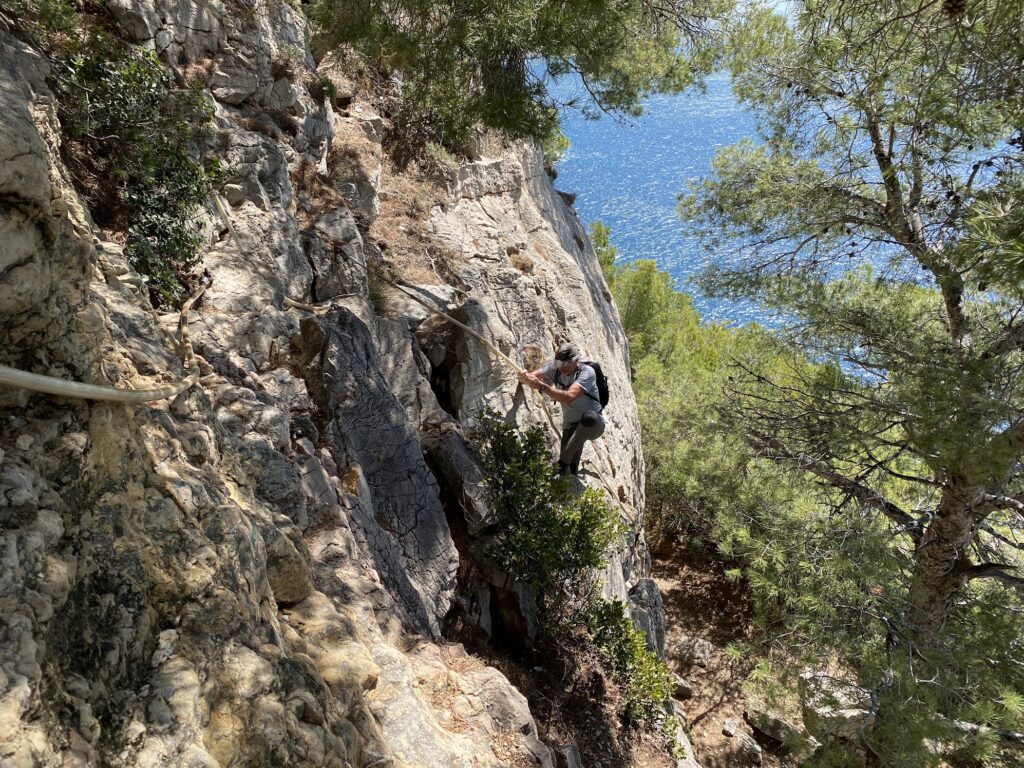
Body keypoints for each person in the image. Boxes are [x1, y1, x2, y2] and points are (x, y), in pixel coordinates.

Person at [517, 342, 605, 476]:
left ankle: (562, 463)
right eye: (558, 363)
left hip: (594, 424)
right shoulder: (555, 368)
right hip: (571, 425)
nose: (562, 368)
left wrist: (541, 386)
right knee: (570, 470)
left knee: (588, 418)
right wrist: (524, 377)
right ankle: (569, 476)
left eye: (565, 364)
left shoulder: (587, 372)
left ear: (576, 360)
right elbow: (531, 378)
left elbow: (569, 397)